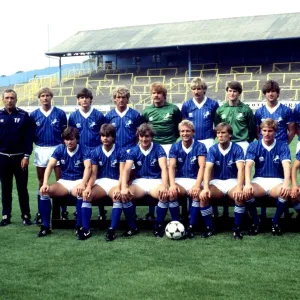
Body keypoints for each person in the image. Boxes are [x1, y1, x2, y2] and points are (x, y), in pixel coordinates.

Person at [38, 127, 91, 237]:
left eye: (72, 139)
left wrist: (83, 183)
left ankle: (79, 226)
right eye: (66, 139)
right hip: (64, 182)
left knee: (81, 192)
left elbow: (88, 168)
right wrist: (45, 183)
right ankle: (46, 226)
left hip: (79, 181)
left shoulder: (84, 149)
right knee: (43, 192)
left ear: (77, 139)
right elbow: (50, 166)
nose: (69, 142)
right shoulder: (60, 149)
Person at [255, 80, 295, 219]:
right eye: (268, 92)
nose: (270, 94)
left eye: (273, 91)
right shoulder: (259, 111)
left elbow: (291, 131)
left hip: (281, 147)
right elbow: (257, 132)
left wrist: (284, 143)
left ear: (277, 93)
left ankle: (284, 213)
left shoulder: (286, 110)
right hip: (265, 147)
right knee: (264, 173)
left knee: (281, 177)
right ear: (264, 94)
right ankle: (263, 212)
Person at [244, 119, 291, 236]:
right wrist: (248, 183)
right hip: (259, 180)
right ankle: (256, 221)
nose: (267, 133)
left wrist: (286, 183)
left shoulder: (282, 145)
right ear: (260, 131)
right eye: (264, 130)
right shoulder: (254, 145)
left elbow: (286, 166)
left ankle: (275, 221)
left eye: (270, 131)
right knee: (247, 192)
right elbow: (248, 166)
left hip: (277, 180)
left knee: (284, 192)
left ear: (275, 132)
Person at [121, 123, 169, 238]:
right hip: (140, 182)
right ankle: (132, 227)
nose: (144, 139)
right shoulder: (133, 150)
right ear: (138, 136)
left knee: (164, 195)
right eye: (142, 136)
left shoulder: (158, 148)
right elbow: (126, 170)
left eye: (147, 136)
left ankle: (158, 226)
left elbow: (164, 168)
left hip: (155, 181)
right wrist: (123, 187)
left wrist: (164, 185)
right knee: (125, 195)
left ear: (151, 136)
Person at [142, 82, 182, 220]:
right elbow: (144, 129)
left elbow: (179, 128)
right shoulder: (147, 111)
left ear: (164, 95)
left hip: (170, 145)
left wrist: (172, 139)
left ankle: (176, 207)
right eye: (154, 93)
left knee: (171, 174)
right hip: (154, 146)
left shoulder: (174, 109)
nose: (156, 95)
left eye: (159, 93)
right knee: (154, 174)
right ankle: (151, 210)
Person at [82, 124, 129, 241]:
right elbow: (93, 175)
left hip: (115, 182)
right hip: (101, 183)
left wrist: (119, 187)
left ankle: (112, 230)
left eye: (108, 136)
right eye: (103, 136)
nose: (105, 138)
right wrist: (88, 187)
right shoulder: (96, 152)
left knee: (117, 197)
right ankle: (85, 229)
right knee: (86, 196)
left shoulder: (121, 151)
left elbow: (123, 173)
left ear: (113, 137)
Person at [200, 123, 245, 239]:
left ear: (230, 135)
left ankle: (237, 228)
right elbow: (208, 169)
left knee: (240, 196)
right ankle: (209, 227)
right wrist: (205, 188)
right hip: (217, 182)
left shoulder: (237, 148)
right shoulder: (213, 149)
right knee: (203, 196)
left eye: (223, 133)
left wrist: (240, 187)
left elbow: (241, 169)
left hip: (233, 181)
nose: (220, 135)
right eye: (218, 133)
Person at [30, 87, 67, 223]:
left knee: (60, 181)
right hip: (41, 149)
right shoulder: (34, 115)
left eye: (47, 95)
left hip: (57, 148)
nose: (45, 98)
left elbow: (65, 133)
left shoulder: (60, 113)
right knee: (41, 181)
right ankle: (41, 212)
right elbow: (31, 134)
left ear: (51, 97)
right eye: (42, 96)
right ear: (39, 98)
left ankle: (63, 210)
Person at [68, 88, 106, 220]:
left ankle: (101, 210)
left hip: (96, 151)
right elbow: (70, 135)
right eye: (81, 97)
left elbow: (104, 133)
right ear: (78, 100)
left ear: (91, 99)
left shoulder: (98, 115)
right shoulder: (73, 116)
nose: (84, 100)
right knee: (81, 180)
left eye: (87, 97)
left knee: (97, 180)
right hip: (80, 152)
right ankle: (79, 209)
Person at [0, 89, 34, 226]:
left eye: (12, 98)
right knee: (5, 188)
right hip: (2, 158)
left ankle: (25, 215)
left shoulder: (23, 115)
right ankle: (5, 215)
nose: (9, 100)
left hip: (19, 158)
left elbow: (29, 138)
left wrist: (26, 156)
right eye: (7, 98)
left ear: (16, 99)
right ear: (3, 99)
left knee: (22, 188)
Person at [168, 120, 207, 238]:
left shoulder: (200, 146)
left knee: (196, 194)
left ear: (193, 132)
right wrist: (173, 184)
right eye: (182, 131)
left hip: (194, 179)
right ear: (179, 133)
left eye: (188, 131)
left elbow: (202, 167)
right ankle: (176, 223)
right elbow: (171, 167)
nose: (185, 133)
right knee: (171, 194)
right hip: (180, 179)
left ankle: (191, 226)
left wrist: (197, 185)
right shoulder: (175, 146)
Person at [215, 81, 256, 156]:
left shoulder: (246, 110)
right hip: (226, 143)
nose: (232, 93)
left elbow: (252, 129)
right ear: (227, 92)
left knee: (242, 167)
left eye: (235, 91)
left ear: (239, 93)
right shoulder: (220, 110)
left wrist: (247, 142)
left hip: (242, 143)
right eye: (230, 91)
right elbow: (218, 127)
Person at [181, 77, 219, 151]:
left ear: (204, 89)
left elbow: (217, 124)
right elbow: (184, 125)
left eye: (199, 89)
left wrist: (212, 137)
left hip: (208, 140)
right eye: (193, 89)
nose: (196, 92)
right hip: (192, 140)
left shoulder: (213, 104)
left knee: (208, 162)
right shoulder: (186, 105)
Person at [105, 86, 142, 150]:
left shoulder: (135, 115)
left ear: (127, 99)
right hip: (114, 150)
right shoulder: (109, 116)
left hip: (131, 149)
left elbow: (139, 133)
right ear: (114, 99)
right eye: (118, 97)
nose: (121, 100)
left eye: (123, 97)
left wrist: (133, 146)